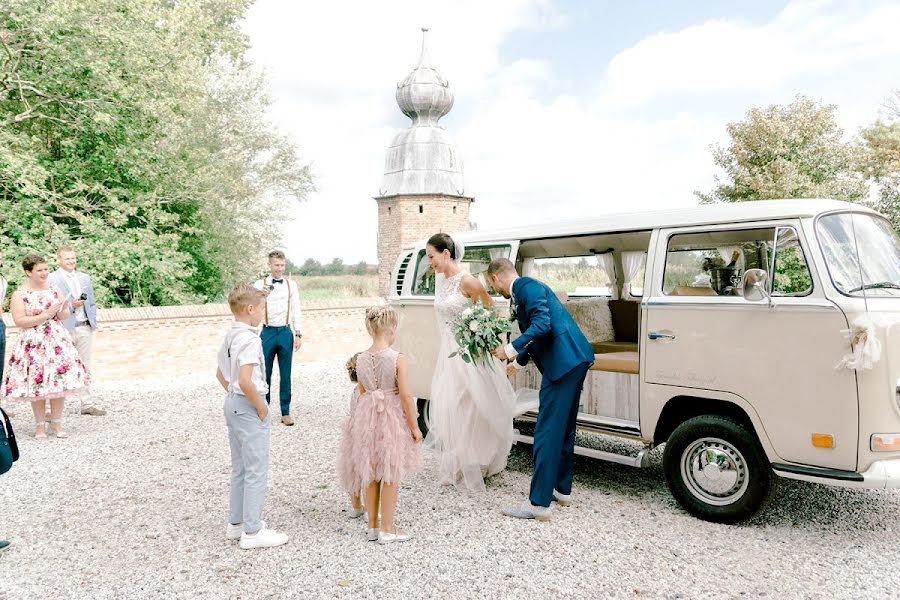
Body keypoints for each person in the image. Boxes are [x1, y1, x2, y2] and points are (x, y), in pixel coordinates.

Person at [487, 258, 594, 522]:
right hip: (574, 359)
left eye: (492, 285)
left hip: (563, 363)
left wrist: (509, 349)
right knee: (564, 428)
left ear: (495, 278)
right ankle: (561, 489)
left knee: (546, 431)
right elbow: (540, 333)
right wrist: (519, 362)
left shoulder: (525, 286)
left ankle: (538, 504)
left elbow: (542, 325)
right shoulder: (526, 289)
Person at [425, 233, 516, 492]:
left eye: (431, 255)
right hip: (449, 350)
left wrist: (478, 337)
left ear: (446, 253)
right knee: (452, 403)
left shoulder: (469, 281)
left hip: (469, 351)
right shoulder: (439, 280)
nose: (429, 261)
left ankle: (477, 460)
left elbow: (489, 311)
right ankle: (459, 459)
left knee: (470, 404)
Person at [338, 306, 422, 544]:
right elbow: (406, 396)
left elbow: (363, 392)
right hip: (391, 417)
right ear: (392, 330)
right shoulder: (397, 358)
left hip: (366, 417)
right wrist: (414, 427)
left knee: (371, 472)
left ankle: (373, 527)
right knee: (390, 471)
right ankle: (388, 527)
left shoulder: (361, 358)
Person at [216, 283, 288, 550]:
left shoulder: (231, 335)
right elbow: (246, 380)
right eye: (261, 308)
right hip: (247, 404)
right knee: (256, 469)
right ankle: (253, 530)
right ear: (250, 309)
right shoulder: (249, 338)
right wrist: (260, 407)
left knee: (241, 468)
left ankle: (236, 524)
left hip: (233, 403)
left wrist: (233, 395)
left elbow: (220, 373)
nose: (262, 313)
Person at [2, 254, 89, 439]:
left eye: (46, 269)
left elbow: (64, 315)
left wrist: (63, 308)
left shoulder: (54, 289)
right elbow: (20, 321)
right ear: (28, 272)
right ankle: (39, 425)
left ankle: (57, 423)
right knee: (37, 382)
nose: (44, 273)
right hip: (33, 342)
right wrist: (47, 314)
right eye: (39, 270)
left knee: (58, 381)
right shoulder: (20, 294)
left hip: (56, 340)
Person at [48, 245, 104, 416]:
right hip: (63, 328)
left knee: (85, 365)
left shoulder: (84, 278)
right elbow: (51, 306)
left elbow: (92, 301)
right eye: (67, 259)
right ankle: (53, 409)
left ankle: (86, 404)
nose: (71, 261)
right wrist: (71, 306)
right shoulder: (52, 279)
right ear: (59, 260)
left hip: (84, 326)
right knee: (58, 366)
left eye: (73, 258)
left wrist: (92, 322)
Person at [253, 251, 303, 426]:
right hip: (266, 332)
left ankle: (286, 412)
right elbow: (252, 309)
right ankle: (263, 410)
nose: (279, 269)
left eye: (282, 265)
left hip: (285, 332)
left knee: (286, 374)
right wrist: (262, 296)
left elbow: (296, 309)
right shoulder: (259, 284)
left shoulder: (292, 285)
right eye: (276, 265)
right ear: (269, 265)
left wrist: (298, 333)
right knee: (264, 374)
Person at [338, 352, 366, 519]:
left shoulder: (355, 391)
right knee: (368, 470)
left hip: (353, 433)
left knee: (353, 470)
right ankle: (370, 508)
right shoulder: (367, 392)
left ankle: (356, 506)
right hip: (365, 434)